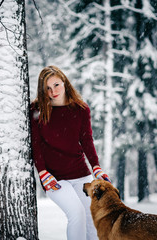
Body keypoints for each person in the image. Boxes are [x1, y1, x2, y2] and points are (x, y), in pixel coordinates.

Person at [30, 65, 111, 240]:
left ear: (65, 82)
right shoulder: (37, 110)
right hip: (54, 179)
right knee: (77, 214)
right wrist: (43, 173)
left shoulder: (81, 109)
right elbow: (35, 144)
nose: (53, 91)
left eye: (56, 85)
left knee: (93, 217)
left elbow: (87, 141)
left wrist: (96, 167)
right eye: (48, 88)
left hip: (81, 174)